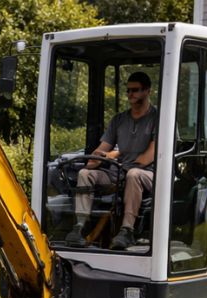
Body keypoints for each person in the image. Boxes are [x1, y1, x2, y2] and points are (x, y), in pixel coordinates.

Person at [66, 71, 158, 250]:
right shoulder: (119, 120)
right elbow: (103, 148)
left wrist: (120, 164)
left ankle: (127, 230)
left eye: (135, 90)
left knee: (133, 174)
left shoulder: (159, 119)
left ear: (147, 91)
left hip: (149, 174)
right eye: (128, 90)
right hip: (119, 172)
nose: (130, 94)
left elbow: (150, 155)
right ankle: (79, 227)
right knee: (85, 174)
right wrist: (95, 160)